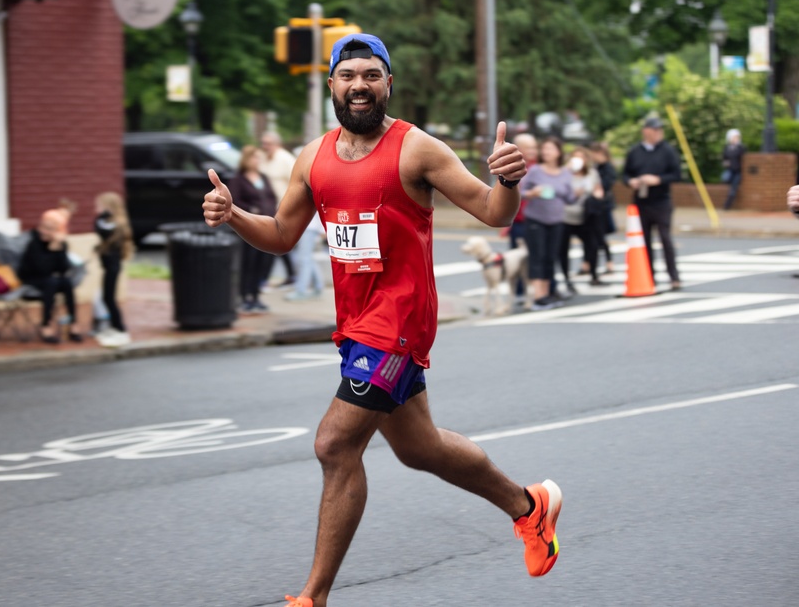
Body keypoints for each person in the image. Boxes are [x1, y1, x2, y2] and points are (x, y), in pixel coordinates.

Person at [202, 33, 562, 607]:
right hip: (356, 323)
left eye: (371, 75)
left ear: (388, 83)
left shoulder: (417, 149)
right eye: (348, 76)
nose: (360, 85)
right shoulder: (312, 157)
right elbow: (280, 235)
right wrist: (235, 215)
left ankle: (312, 597)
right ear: (332, 86)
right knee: (419, 448)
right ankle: (529, 506)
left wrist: (510, 180)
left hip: (399, 320)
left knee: (334, 444)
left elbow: (494, 213)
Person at [623, 116, 683, 290]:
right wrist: (631, 181)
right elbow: (625, 174)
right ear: (646, 131)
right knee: (644, 241)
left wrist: (658, 179)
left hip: (661, 200)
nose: (658, 133)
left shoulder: (667, 151)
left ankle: (674, 276)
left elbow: (676, 174)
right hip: (641, 201)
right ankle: (649, 275)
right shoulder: (635, 152)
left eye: (659, 130)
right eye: (654, 130)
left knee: (665, 238)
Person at [519, 137, 575, 309]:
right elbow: (519, 191)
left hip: (557, 221)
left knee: (551, 258)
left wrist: (580, 192)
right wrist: (532, 193)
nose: (546, 152)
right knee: (538, 257)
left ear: (559, 152)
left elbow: (570, 199)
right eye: (544, 149)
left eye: (550, 148)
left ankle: (547, 294)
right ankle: (538, 296)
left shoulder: (565, 172)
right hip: (536, 220)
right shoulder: (535, 171)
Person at [17, 209, 83, 344]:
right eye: (43, 227)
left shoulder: (60, 244)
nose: (44, 232)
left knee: (66, 282)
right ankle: (45, 325)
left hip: (49, 279)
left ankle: (73, 323)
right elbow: (41, 269)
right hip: (31, 277)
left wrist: (58, 249)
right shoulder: (34, 243)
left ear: (58, 231)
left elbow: (64, 269)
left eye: (50, 229)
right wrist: (51, 250)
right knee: (51, 282)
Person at [228, 145, 278, 313]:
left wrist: (272, 212)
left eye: (258, 157)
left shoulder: (263, 177)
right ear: (246, 160)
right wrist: (251, 209)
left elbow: (271, 197)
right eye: (253, 157)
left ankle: (255, 296)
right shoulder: (238, 180)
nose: (257, 161)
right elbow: (234, 201)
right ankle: (244, 296)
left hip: (265, 225)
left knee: (263, 262)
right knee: (247, 262)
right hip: (248, 227)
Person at [560, 148, 606, 288]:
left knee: (592, 245)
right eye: (575, 157)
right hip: (566, 215)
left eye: (581, 158)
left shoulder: (592, 173)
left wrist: (597, 195)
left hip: (586, 215)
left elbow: (598, 189)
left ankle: (593, 274)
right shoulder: (564, 173)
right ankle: (566, 277)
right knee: (563, 248)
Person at [93, 192, 133, 347]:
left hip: (112, 267)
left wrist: (101, 215)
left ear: (108, 207)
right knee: (106, 298)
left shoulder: (116, 225)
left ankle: (121, 329)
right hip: (109, 267)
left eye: (99, 207)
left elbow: (100, 228)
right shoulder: (110, 223)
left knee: (108, 299)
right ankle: (115, 327)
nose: (97, 210)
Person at [262, 131, 299, 288]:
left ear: (277, 144)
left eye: (268, 143)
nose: (265, 147)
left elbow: (297, 182)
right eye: (263, 143)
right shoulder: (264, 159)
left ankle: (265, 278)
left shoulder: (285, 159)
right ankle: (291, 275)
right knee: (275, 245)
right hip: (268, 206)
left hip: (282, 206)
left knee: (275, 243)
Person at [508, 133, 539, 301]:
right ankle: (519, 290)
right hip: (518, 220)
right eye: (529, 148)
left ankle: (537, 288)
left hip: (537, 219)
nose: (533, 151)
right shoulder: (512, 167)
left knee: (538, 256)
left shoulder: (540, 167)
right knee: (517, 260)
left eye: (535, 147)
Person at [587, 142, 617, 274]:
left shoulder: (607, 168)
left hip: (602, 207)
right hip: (594, 206)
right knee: (592, 236)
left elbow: (605, 185)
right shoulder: (596, 167)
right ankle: (588, 263)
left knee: (600, 236)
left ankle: (609, 262)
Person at [285, 216, 325, 301]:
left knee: (304, 259)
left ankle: (301, 291)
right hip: (308, 226)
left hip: (308, 226)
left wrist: (322, 229)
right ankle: (318, 287)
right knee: (308, 258)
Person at [722, 128, 746, 210]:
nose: (736, 139)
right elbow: (724, 158)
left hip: (737, 171)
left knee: (733, 188)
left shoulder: (740, 148)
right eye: (734, 137)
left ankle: (727, 205)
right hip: (730, 170)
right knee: (725, 180)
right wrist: (726, 163)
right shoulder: (727, 148)